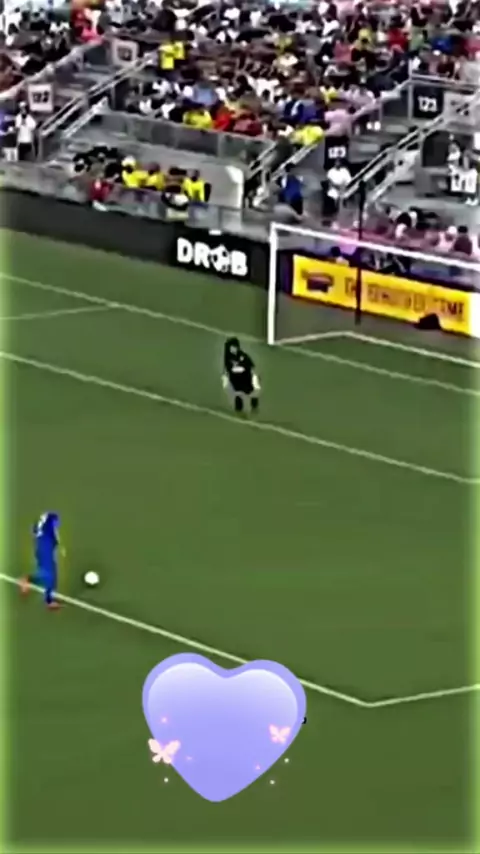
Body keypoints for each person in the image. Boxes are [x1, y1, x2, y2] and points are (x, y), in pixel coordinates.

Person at [20, 512, 64, 609]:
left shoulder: (41, 527)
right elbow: (55, 538)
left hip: (41, 550)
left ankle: (28, 579)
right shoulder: (50, 528)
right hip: (45, 552)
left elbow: (34, 531)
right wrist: (58, 545)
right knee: (50, 576)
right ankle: (49, 601)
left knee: (50, 574)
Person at [222, 337, 260, 414]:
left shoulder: (243, 356)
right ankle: (239, 412)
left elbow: (251, 366)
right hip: (235, 379)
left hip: (246, 378)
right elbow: (228, 368)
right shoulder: (228, 357)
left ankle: (254, 409)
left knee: (251, 393)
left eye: (233, 347)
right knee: (238, 395)